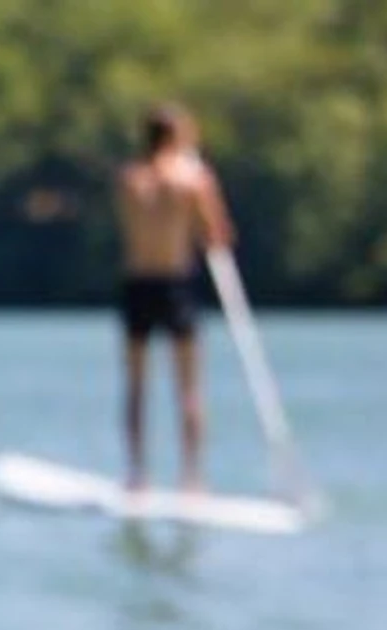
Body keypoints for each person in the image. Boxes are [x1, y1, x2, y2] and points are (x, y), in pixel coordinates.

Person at [114, 103, 236, 492]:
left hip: (137, 284)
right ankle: (191, 479)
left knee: (136, 387)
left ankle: (137, 475)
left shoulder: (129, 179)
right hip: (175, 285)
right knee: (189, 388)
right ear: (178, 137)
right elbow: (217, 235)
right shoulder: (193, 179)